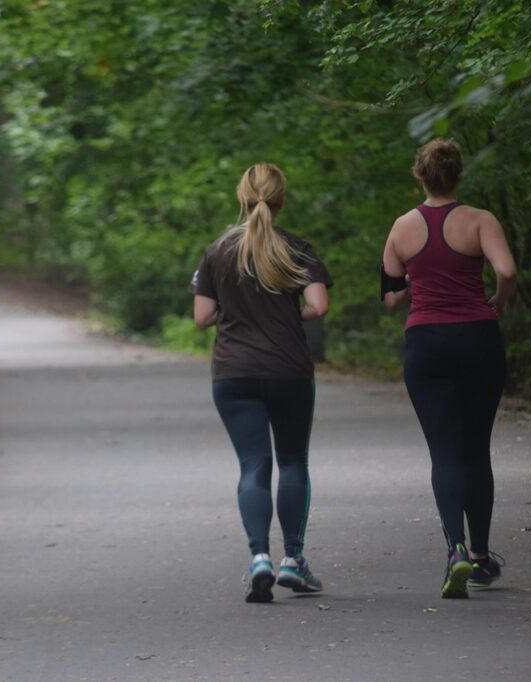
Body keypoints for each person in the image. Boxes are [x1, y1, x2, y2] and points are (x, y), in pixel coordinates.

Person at [381, 139, 517, 598]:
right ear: (459, 174)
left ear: (419, 175)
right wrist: (498, 298)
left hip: (427, 345)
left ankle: (454, 549)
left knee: (444, 452)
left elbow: (392, 294)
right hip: (479, 340)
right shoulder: (481, 220)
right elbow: (508, 270)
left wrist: (412, 285)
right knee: (477, 448)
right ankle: (480, 557)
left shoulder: (401, 228)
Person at [193, 163, 332, 603]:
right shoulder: (297, 248)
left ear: (242, 198)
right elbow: (318, 305)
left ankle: (259, 559)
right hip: (289, 370)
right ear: (281, 199)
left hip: (233, 373)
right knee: (292, 462)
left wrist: (235, 312)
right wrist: (287, 314)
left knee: (254, 466)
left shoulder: (217, 250)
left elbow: (201, 317)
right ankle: (294, 559)